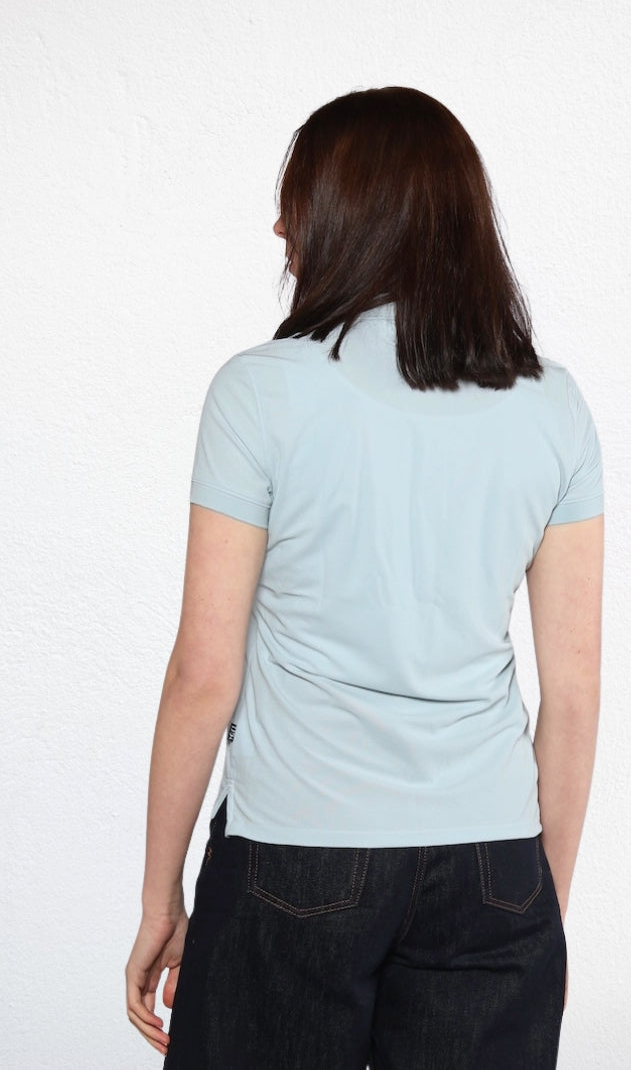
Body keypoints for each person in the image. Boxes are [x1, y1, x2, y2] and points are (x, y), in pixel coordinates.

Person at [125, 86, 604, 1069]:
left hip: (294, 852)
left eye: (296, 201)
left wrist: (159, 893)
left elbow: (202, 674)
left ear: (348, 215)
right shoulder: (551, 404)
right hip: (493, 862)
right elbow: (576, 688)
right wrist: (539, 902)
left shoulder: (260, 390)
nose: (279, 227)